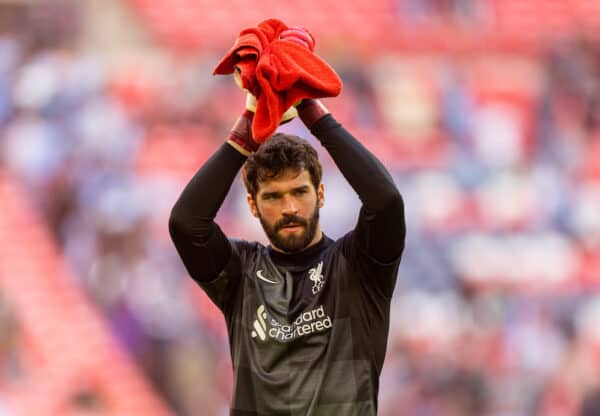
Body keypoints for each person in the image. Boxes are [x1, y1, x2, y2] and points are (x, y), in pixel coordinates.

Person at [169, 95, 406, 415]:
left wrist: (311, 110)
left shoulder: (358, 266)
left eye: (299, 191)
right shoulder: (241, 274)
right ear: (253, 205)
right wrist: (246, 130)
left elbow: (386, 202)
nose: (290, 208)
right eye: (273, 197)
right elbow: (186, 224)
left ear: (320, 194)